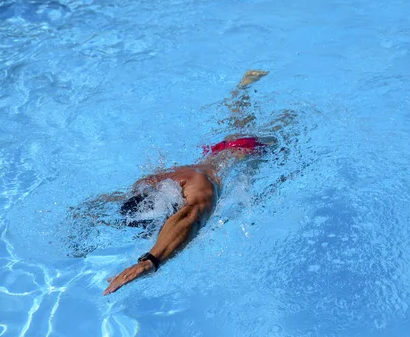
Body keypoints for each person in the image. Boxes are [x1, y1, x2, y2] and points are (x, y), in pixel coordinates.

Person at [99, 70, 282, 295]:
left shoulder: (200, 184)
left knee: (281, 128)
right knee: (240, 121)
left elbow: (189, 218)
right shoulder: (154, 182)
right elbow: (117, 200)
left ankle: (253, 96)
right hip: (219, 151)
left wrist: (151, 260)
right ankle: (241, 89)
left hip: (252, 149)